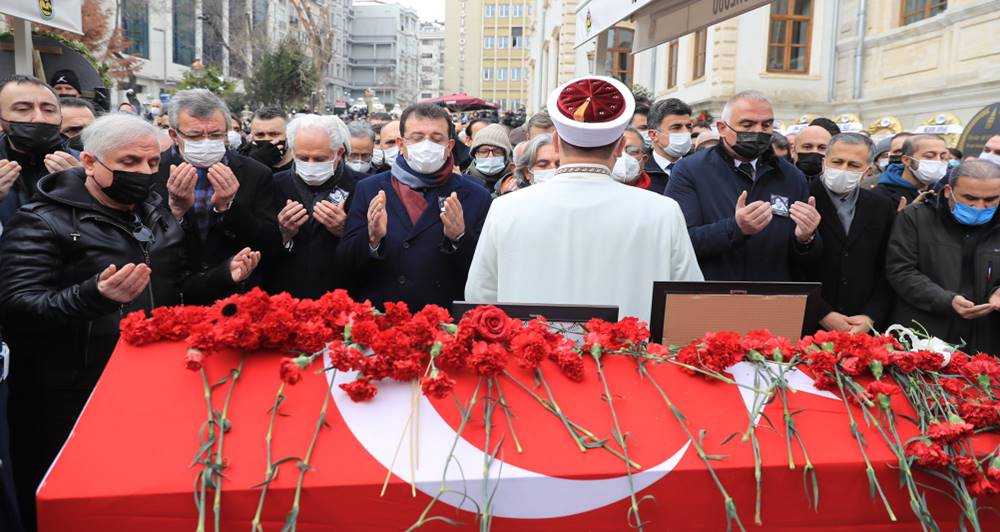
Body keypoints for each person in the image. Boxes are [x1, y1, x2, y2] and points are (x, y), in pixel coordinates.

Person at [0, 113, 261, 530]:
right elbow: (16, 307)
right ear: (89, 162)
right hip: (71, 394)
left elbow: (175, 288)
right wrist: (92, 296)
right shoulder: (40, 220)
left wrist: (222, 277)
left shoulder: (155, 213)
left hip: (150, 382)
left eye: (152, 162)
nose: (143, 172)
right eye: (129, 163)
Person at [465, 76, 703, 322]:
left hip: (531, 346)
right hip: (631, 347)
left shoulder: (506, 209)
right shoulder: (663, 212)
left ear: (556, 143)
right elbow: (687, 303)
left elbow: (479, 297)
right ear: (620, 146)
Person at [340, 102, 492, 312]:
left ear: (449, 146)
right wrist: (372, 239)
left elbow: (486, 269)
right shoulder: (369, 188)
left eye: (436, 139)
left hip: (445, 319)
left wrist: (459, 238)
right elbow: (346, 261)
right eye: (417, 138)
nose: (426, 145)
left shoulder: (476, 195)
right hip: (385, 317)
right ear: (401, 144)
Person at [665, 90, 823, 281]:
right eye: (747, 125)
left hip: (772, 294)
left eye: (766, 125)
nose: (758, 131)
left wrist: (805, 239)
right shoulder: (690, 170)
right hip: (712, 293)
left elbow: (806, 260)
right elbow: (679, 241)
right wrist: (736, 228)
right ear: (722, 128)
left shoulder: (791, 176)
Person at [154, 89, 282, 292]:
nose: (206, 142)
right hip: (171, 291)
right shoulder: (152, 170)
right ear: (174, 135)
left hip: (232, 292)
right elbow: (144, 244)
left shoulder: (255, 173)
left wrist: (228, 207)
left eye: (215, 135)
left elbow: (269, 243)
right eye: (195, 135)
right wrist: (176, 212)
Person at [886, 160, 1000, 353]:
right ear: (948, 191)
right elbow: (900, 270)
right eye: (970, 198)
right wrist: (946, 300)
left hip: (988, 337)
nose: (979, 206)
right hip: (925, 335)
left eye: (991, 199)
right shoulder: (916, 217)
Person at [799, 133, 895, 333]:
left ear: (868, 170)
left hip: (861, 325)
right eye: (837, 162)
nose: (843, 169)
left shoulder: (881, 206)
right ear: (824, 163)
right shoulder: (801, 197)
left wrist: (871, 316)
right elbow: (787, 265)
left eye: (853, 165)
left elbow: (886, 266)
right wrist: (822, 313)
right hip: (808, 323)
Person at [265, 114, 360, 299]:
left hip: (341, 298)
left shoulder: (362, 186)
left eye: (319, 159)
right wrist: (282, 234)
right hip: (285, 298)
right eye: (303, 157)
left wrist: (346, 232)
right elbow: (259, 249)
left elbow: (373, 254)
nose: (310, 165)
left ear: (339, 153)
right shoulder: (272, 184)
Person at [0, 75, 82, 226]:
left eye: (49, 110)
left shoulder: (87, 166)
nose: (39, 118)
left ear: (60, 117)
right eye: (23, 109)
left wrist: (88, 193)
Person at [874, 134, 948, 209]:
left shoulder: (944, 192)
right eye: (929, 156)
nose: (938, 161)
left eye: (943, 157)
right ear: (907, 160)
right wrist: (905, 215)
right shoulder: (879, 195)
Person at [645, 98, 693, 194]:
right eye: (676, 127)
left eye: (688, 127)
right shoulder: (639, 172)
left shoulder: (702, 167)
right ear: (654, 135)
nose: (686, 132)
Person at [243, 106, 293, 174]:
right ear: (252, 136)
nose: (267, 139)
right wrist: (255, 163)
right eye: (260, 135)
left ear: (288, 134)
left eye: (274, 134)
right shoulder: (241, 160)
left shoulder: (302, 163)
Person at [467, 123, 514, 193]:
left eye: (497, 151)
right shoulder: (465, 181)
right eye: (484, 151)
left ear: (505, 155)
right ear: (475, 154)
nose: (490, 156)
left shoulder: (516, 180)